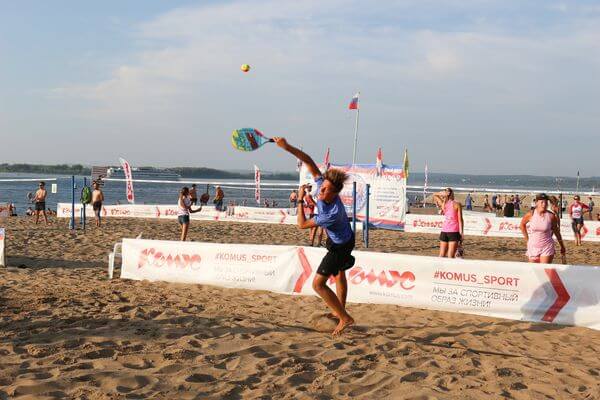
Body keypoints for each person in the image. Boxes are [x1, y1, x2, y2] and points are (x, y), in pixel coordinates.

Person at [274, 136, 355, 336]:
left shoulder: (330, 214)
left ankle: (344, 317)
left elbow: (302, 225)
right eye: (323, 186)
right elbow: (309, 160)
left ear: (334, 194)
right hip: (344, 237)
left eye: (326, 190)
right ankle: (339, 312)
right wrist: (287, 147)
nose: (321, 191)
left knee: (318, 284)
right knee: (339, 274)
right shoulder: (322, 185)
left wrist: (300, 200)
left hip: (340, 245)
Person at [520, 193, 566, 263]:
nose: (544, 204)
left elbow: (556, 232)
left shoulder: (551, 216)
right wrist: (527, 239)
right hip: (533, 246)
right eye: (542, 202)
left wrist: (562, 246)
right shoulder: (530, 215)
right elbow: (522, 225)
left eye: (546, 202)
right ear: (536, 203)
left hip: (547, 246)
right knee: (534, 269)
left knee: (544, 268)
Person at [433, 188, 464, 258]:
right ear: (452, 194)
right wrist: (461, 233)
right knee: (450, 256)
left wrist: (441, 193)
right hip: (453, 231)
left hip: (444, 231)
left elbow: (434, 194)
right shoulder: (457, 204)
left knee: (441, 255)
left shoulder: (443, 204)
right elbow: (460, 220)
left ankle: (438, 266)